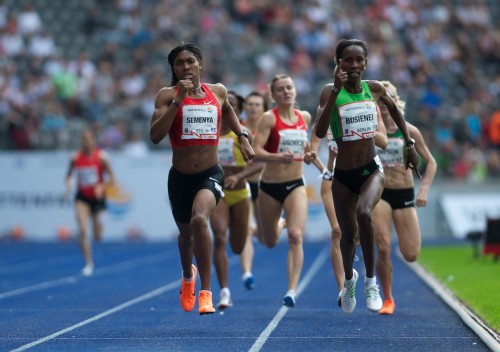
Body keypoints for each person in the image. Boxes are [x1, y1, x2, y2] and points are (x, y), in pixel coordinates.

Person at [314, 39, 420, 314]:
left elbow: (395, 110)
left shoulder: (374, 89)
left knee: (364, 213)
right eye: (347, 60)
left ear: (366, 62)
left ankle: (371, 282)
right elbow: (319, 131)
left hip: (370, 168)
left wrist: (410, 145)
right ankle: (350, 280)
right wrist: (336, 91)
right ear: (338, 63)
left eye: (358, 60)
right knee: (347, 237)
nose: (353, 65)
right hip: (343, 174)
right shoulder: (329, 92)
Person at [149, 43, 254, 315]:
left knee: (199, 220)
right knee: (186, 238)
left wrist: (242, 136)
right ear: (173, 68)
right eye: (179, 63)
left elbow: (229, 109)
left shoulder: (217, 92)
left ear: (200, 64)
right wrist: (177, 101)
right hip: (180, 177)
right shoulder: (165, 95)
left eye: (190, 61)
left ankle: (207, 291)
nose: (185, 67)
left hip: (210, 173)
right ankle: (188, 277)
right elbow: (155, 135)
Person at [308, 105, 387, 307]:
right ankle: (344, 288)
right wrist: (320, 164)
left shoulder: (366, 107)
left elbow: (384, 142)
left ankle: (358, 271)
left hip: (362, 175)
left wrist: (362, 129)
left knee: (357, 229)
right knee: (337, 231)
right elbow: (314, 144)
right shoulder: (325, 109)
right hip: (334, 177)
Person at [252, 74, 316, 307]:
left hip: (295, 184)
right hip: (269, 186)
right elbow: (255, 151)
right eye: (280, 89)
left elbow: (305, 148)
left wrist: (309, 155)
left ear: (295, 91)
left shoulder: (304, 117)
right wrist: (278, 157)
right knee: (269, 241)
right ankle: (279, 223)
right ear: (273, 95)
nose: (286, 92)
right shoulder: (269, 119)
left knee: (296, 235)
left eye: (289, 87)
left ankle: (291, 290)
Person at [373, 81, 437, 315]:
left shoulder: (410, 130)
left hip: (404, 193)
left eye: (386, 98)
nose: (382, 104)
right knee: (383, 246)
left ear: (396, 100)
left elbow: (431, 162)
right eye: (379, 99)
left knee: (411, 254)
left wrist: (424, 189)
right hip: (379, 193)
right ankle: (388, 298)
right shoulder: (371, 131)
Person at [209, 90, 252, 309]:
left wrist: (240, 175)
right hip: (217, 191)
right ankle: (224, 291)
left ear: (239, 111)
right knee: (219, 236)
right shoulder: (210, 132)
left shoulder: (243, 134)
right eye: (227, 105)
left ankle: (249, 231)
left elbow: (259, 164)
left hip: (241, 193)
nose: (230, 109)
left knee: (237, 246)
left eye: (234, 106)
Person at [224, 91, 269, 290]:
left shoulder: (266, 128)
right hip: (242, 186)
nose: (252, 107)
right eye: (249, 103)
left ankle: (279, 222)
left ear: (263, 108)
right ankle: (247, 272)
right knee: (247, 231)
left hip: (262, 183)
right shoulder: (236, 127)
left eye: (256, 104)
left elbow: (264, 160)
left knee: (265, 236)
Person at [64, 130, 115, 277]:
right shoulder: (75, 158)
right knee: (82, 229)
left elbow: (112, 178)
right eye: (84, 139)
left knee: (98, 235)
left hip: (98, 198)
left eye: (89, 139)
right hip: (82, 198)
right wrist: (68, 185)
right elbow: (68, 175)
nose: (86, 142)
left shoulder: (102, 157)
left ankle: (100, 222)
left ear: (94, 141)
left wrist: (102, 186)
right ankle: (88, 262)